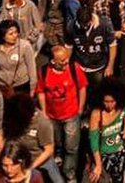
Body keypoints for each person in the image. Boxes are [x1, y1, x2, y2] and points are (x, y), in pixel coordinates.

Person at [36, 44, 87, 183]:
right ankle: (58, 159)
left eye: (66, 59)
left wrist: (80, 108)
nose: (66, 62)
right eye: (62, 61)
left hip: (71, 115)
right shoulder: (44, 72)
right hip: (53, 117)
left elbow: (82, 88)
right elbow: (40, 91)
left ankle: (70, 175)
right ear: (53, 61)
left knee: (71, 147)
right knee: (58, 142)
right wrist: (44, 112)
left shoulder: (74, 68)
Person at [0, 95, 55, 182]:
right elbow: (4, 132)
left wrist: (31, 168)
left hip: (38, 161)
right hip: (13, 159)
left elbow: (48, 150)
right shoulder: (13, 117)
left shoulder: (42, 123)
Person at [87, 77, 125, 183]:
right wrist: (98, 164)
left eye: (112, 101)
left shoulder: (122, 106)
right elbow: (94, 141)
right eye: (106, 101)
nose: (109, 105)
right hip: (103, 155)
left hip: (119, 153)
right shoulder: (97, 114)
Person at [0, 19, 39, 96]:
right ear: (2, 36)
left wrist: (32, 89)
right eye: (11, 34)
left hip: (21, 86)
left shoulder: (25, 46)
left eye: (16, 32)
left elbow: (32, 68)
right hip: (2, 87)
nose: (15, 35)